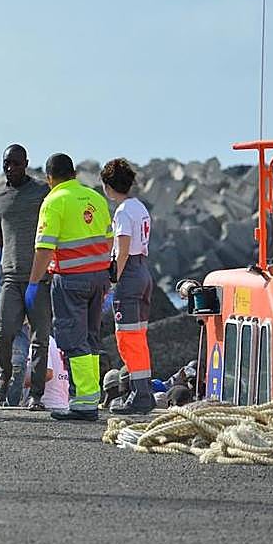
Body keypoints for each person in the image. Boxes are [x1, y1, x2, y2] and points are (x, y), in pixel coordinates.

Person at [25, 153, 113, 421]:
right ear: (73, 173)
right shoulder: (96, 198)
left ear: (49, 178)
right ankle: (90, 397)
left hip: (70, 279)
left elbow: (44, 248)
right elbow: (109, 240)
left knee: (72, 340)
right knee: (90, 337)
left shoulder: (53, 201)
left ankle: (83, 402)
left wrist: (32, 282)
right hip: (99, 278)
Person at [0, 144, 52, 410]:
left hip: (39, 278)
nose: (11, 168)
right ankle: (4, 376)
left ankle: (36, 396)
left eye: (16, 163)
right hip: (10, 277)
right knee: (1, 333)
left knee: (40, 338)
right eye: (7, 163)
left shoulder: (42, 192)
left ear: (26, 163)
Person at [101, 158, 155, 415]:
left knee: (127, 338)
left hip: (130, 274)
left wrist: (113, 279)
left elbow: (122, 248)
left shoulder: (123, 212)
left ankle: (140, 394)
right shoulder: (140, 207)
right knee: (138, 337)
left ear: (108, 186)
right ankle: (142, 390)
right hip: (143, 270)